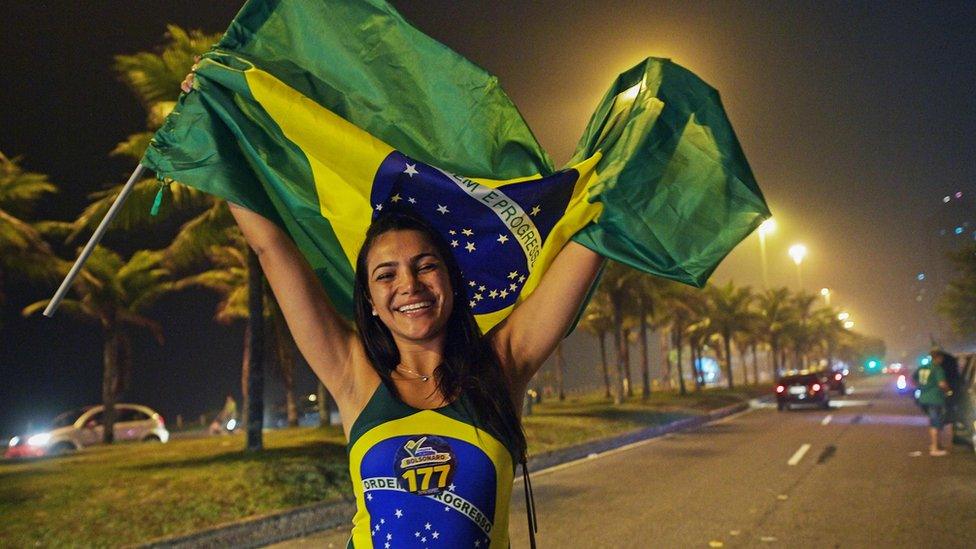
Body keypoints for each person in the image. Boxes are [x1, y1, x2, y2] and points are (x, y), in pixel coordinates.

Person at [182, 67, 604, 545]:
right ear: (371, 301)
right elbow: (272, 251)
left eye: (425, 266)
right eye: (386, 275)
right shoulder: (352, 372)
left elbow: (590, 240)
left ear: (450, 279)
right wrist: (217, 126)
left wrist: (622, 173)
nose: (409, 285)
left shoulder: (503, 364)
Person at [914, 351, 951, 456]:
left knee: (933, 421)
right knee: (936, 422)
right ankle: (934, 449)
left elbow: (914, 379)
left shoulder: (922, 367)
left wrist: (921, 387)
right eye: (941, 358)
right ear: (938, 358)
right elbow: (942, 384)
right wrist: (949, 391)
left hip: (923, 399)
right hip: (935, 399)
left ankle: (936, 444)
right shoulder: (937, 368)